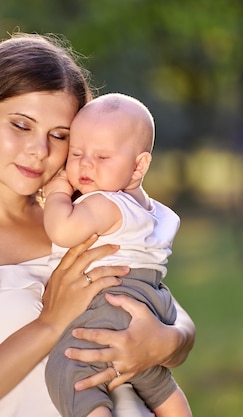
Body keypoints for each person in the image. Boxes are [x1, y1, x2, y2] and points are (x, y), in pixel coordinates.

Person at [0, 32, 195, 417]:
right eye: (21, 125)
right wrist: (50, 323)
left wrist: (168, 341)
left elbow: (165, 305)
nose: (40, 150)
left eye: (60, 135)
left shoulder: (84, 216)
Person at [43, 93, 192, 417]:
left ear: (138, 166)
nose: (85, 164)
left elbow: (62, 231)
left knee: (72, 372)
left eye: (102, 157)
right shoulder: (149, 208)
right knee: (153, 379)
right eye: (77, 153)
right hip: (150, 301)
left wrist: (56, 194)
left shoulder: (103, 202)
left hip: (110, 301)